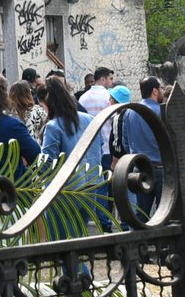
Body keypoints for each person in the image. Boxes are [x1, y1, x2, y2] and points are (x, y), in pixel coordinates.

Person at [38, 75, 110, 236]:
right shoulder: (90, 119)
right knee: (77, 242)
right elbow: (99, 149)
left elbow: (46, 164)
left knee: (61, 244)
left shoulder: (52, 127)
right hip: (90, 189)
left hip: (64, 192)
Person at [117, 76, 167, 219]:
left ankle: (140, 241)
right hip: (161, 168)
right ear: (155, 91)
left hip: (139, 168)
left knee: (141, 213)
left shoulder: (130, 112)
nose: (163, 91)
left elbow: (125, 142)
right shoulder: (162, 111)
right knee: (164, 214)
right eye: (162, 88)